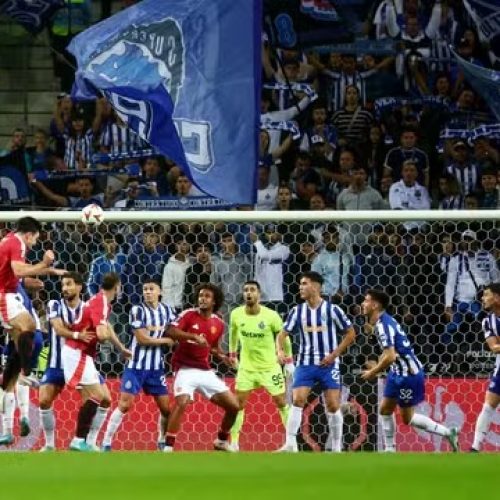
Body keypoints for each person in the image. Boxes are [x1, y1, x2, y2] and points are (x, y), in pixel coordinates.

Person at [101, 278, 206, 451]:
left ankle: (161, 440)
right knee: (125, 404)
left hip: (156, 369)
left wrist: (190, 337)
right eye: (145, 289)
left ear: (160, 292)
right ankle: (106, 442)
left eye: (151, 289)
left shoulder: (168, 311)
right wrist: (166, 340)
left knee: (166, 409)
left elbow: (177, 331)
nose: (147, 292)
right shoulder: (137, 310)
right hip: (136, 366)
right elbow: (142, 339)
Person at [360, 289, 459, 452]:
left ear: (375, 305)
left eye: (366, 300)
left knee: (407, 418)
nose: (363, 304)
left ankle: (448, 433)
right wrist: (379, 364)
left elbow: (390, 356)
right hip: (396, 372)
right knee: (385, 409)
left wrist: (373, 371)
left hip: (408, 375)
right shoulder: (381, 323)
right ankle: (390, 449)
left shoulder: (384, 325)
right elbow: (389, 353)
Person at [276, 271, 356, 452]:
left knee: (333, 405)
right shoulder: (297, 311)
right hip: (305, 363)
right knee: (297, 400)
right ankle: (290, 444)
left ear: (316, 286)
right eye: (300, 284)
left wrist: (334, 355)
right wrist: (279, 350)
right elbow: (282, 334)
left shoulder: (333, 310)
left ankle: (336, 447)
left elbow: (351, 333)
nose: (300, 287)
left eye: (304, 283)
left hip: (329, 364)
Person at [164, 283, 239, 452]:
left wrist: (223, 357)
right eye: (200, 295)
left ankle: (221, 441)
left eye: (206, 296)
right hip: (184, 368)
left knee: (234, 406)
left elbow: (212, 347)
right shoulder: (188, 315)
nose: (202, 299)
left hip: (205, 370)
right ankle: (168, 448)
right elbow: (170, 331)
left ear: (214, 301)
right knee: (182, 402)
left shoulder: (218, 323)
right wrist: (192, 336)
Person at [37, 272, 108, 451]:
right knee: (44, 400)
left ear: (79, 287)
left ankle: (89, 441)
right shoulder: (54, 304)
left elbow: (101, 329)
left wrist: (118, 346)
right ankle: (49, 445)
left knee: (104, 399)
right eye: (63, 285)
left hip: (81, 361)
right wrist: (77, 334)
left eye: (69, 284)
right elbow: (59, 328)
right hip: (56, 364)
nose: (65, 288)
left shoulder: (88, 308)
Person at [62, 272, 131, 451]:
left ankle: (90, 442)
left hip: (85, 355)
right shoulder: (100, 302)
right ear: (117, 286)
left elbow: (105, 326)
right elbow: (101, 335)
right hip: (77, 353)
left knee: (106, 399)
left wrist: (121, 348)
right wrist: (105, 334)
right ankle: (78, 440)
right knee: (97, 396)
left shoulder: (101, 301)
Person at [0, 217, 62, 408]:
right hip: (2, 294)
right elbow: (18, 270)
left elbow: (19, 272)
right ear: (29, 235)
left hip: (8, 292)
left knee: (22, 337)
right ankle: (25, 373)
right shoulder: (17, 243)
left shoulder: (9, 240)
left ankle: (10, 381)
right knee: (29, 326)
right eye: (35, 239)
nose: (34, 243)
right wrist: (43, 264)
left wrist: (48, 270)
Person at [228, 281, 294, 451]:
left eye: (252, 290)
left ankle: (291, 443)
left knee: (281, 402)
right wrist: (232, 353)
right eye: (246, 290)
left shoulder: (271, 316)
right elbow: (233, 333)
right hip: (246, 369)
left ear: (259, 294)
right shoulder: (236, 314)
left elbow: (284, 337)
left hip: (270, 367)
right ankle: (234, 442)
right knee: (238, 404)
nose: (249, 293)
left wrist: (289, 361)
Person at [471, 283, 500, 452]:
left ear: (497, 297)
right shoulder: (488, 321)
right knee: (488, 405)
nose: (482, 298)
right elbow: (494, 347)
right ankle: (475, 447)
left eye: (486, 294)